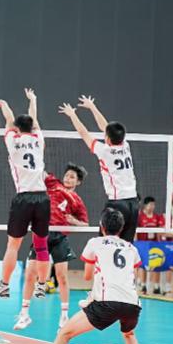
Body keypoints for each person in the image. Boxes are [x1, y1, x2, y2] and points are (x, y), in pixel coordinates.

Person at [19, 208, 145, 344]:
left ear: (101, 226)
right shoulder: (131, 248)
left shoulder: (95, 242)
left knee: (64, 334)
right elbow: (131, 277)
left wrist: (93, 296)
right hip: (132, 304)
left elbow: (87, 276)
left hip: (107, 303)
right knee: (129, 334)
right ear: (121, 228)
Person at [0, 89, 51, 299]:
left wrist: (3, 103)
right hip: (42, 197)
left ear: (16, 128)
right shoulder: (38, 139)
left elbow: (8, 120)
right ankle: (42, 286)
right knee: (41, 244)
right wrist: (33, 99)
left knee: (13, 245)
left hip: (23, 197)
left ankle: (4, 285)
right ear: (32, 127)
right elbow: (35, 121)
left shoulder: (12, 140)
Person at [14, 164, 89, 331]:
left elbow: (85, 224)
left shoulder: (77, 200)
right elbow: (40, 172)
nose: (68, 178)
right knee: (30, 274)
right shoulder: (54, 184)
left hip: (60, 237)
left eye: (72, 177)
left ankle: (64, 316)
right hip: (42, 234)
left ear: (78, 182)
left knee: (62, 277)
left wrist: (73, 221)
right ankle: (24, 314)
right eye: (67, 175)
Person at [59, 95, 139, 243]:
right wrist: (92, 107)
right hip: (133, 203)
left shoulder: (105, 151)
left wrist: (72, 115)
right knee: (126, 245)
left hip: (117, 203)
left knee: (105, 243)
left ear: (107, 138)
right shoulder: (125, 145)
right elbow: (106, 128)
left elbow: (84, 134)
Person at [135, 197, 166, 295]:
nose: (152, 206)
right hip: (143, 244)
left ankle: (156, 286)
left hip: (154, 244)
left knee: (156, 263)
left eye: (154, 204)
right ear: (145, 205)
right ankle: (143, 285)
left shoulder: (157, 217)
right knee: (143, 265)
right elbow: (135, 230)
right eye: (151, 204)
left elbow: (160, 230)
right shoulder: (140, 217)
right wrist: (136, 242)